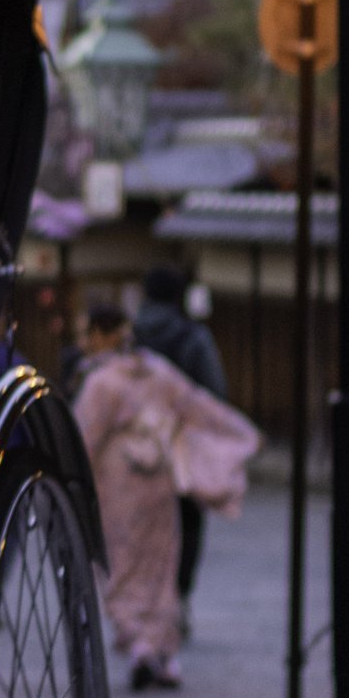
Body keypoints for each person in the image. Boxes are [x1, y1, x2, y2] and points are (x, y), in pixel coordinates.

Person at [71, 299, 259, 690]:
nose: (83, 341)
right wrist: (238, 433)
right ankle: (163, 652)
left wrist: (70, 478)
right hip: (158, 477)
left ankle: (140, 644)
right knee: (161, 568)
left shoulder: (101, 382)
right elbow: (196, 404)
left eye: (87, 333)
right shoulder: (157, 370)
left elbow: (85, 438)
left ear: (103, 335)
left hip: (117, 482)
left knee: (122, 564)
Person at [131, 262, 232, 613]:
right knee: (187, 521)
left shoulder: (130, 337)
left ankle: (144, 594)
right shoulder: (193, 338)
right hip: (182, 443)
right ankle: (179, 594)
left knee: (140, 519)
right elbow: (215, 391)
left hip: (135, 442)